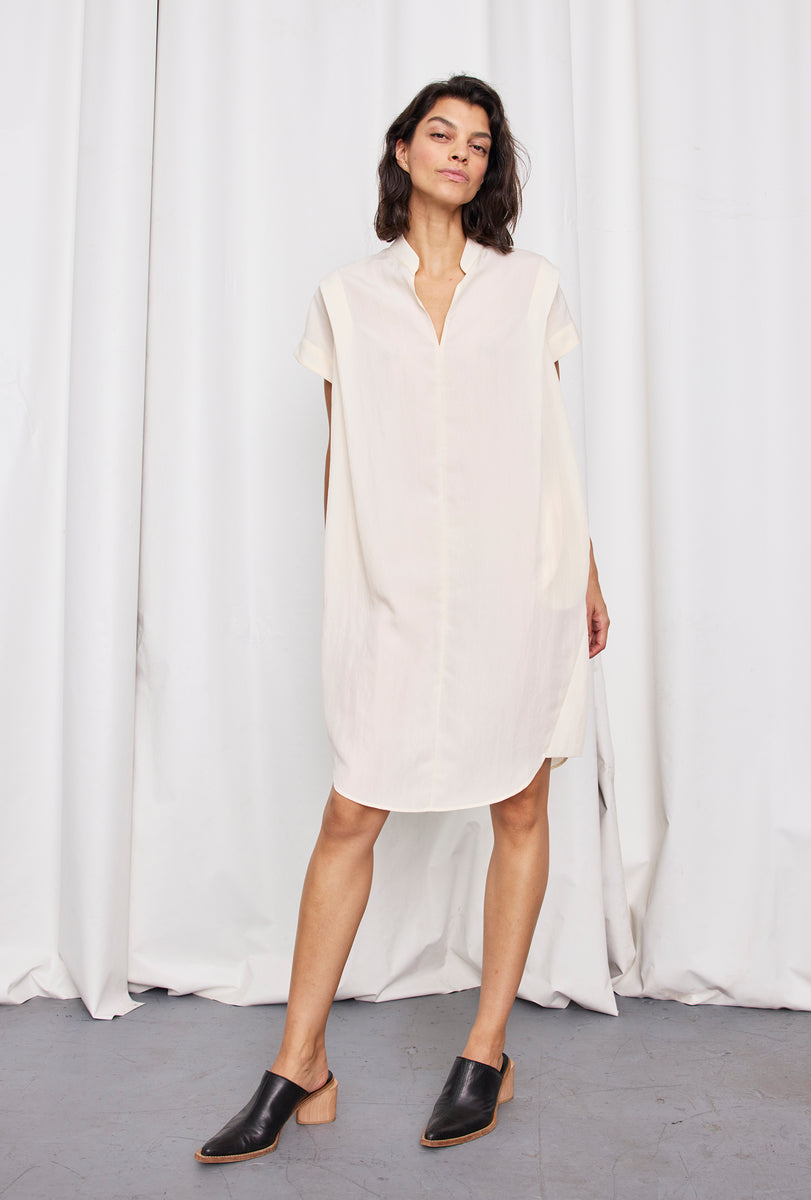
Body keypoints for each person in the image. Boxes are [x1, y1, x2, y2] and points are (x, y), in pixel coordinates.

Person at [195, 74, 609, 1164]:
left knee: (519, 803)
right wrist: (360, 600)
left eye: (480, 142)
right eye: (442, 133)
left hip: (520, 581)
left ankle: (487, 1049)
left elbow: (549, 445)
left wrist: (589, 569)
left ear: (492, 168)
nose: (460, 154)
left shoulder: (530, 288)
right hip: (398, 595)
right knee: (351, 814)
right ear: (403, 148)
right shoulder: (345, 296)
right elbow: (345, 458)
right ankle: (300, 1064)